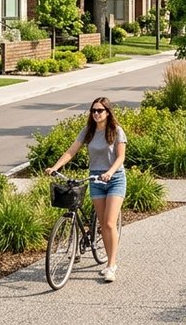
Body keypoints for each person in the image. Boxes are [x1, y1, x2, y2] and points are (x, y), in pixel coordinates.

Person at [46, 97, 127, 282]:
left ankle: (111, 265)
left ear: (108, 112)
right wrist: (55, 167)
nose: (96, 114)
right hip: (95, 178)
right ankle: (104, 256)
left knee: (109, 223)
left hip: (115, 178)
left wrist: (110, 172)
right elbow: (71, 151)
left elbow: (120, 157)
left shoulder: (116, 131)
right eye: (93, 111)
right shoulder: (88, 131)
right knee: (102, 222)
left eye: (100, 110)